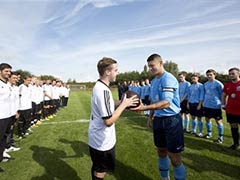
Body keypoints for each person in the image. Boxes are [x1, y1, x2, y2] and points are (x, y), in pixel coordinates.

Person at [131, 54, 186, 180]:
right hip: (158, 120)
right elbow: (153, 100)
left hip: (171, 120)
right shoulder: (154, 81)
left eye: (152, 66)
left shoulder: (168, 78)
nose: (150, 69)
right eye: (149, 66)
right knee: (161, 151)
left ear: (161, 63)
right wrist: (150, 117)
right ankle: (164, 178)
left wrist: (144, 108)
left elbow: (166, 103)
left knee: (174, 156)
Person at [88, 57, 139, 180]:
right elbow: (109, 121)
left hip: (97, 137)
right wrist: (124, 105)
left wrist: (122, 102)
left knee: (97, 167)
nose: (118, 73)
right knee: (101, 171)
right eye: (116, 70)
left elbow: (108, 104)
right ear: (107, 72)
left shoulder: (100, 86)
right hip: (102, 140)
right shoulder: (103, 91)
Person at [203, 69, 224, 143]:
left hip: (215, 105)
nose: (209, 76)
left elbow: (223, 95)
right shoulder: (205, 84)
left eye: (210, 75)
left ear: (215, 75)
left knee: (218, 121)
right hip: (206, 105)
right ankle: (209, 134)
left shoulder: (218, 84)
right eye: (208, 75)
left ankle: (220, 138)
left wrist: (222, 103)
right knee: (207, 119)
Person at [222, 67, 240, 150]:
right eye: (230, 74)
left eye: (233, 73)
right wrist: (223, 104)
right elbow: (224, 95)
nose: (231, 75)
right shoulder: (227, 85)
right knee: (234, 127)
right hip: (230, 110)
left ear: (238, 74)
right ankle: (236, 144)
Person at [0, 63, 13, 172]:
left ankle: (0, 158)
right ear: (0, 71)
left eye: (9, 71)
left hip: (7, 115)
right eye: (6, 71)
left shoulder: (7, 84)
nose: (8, 73)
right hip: (0, 117)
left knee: (4, 139)